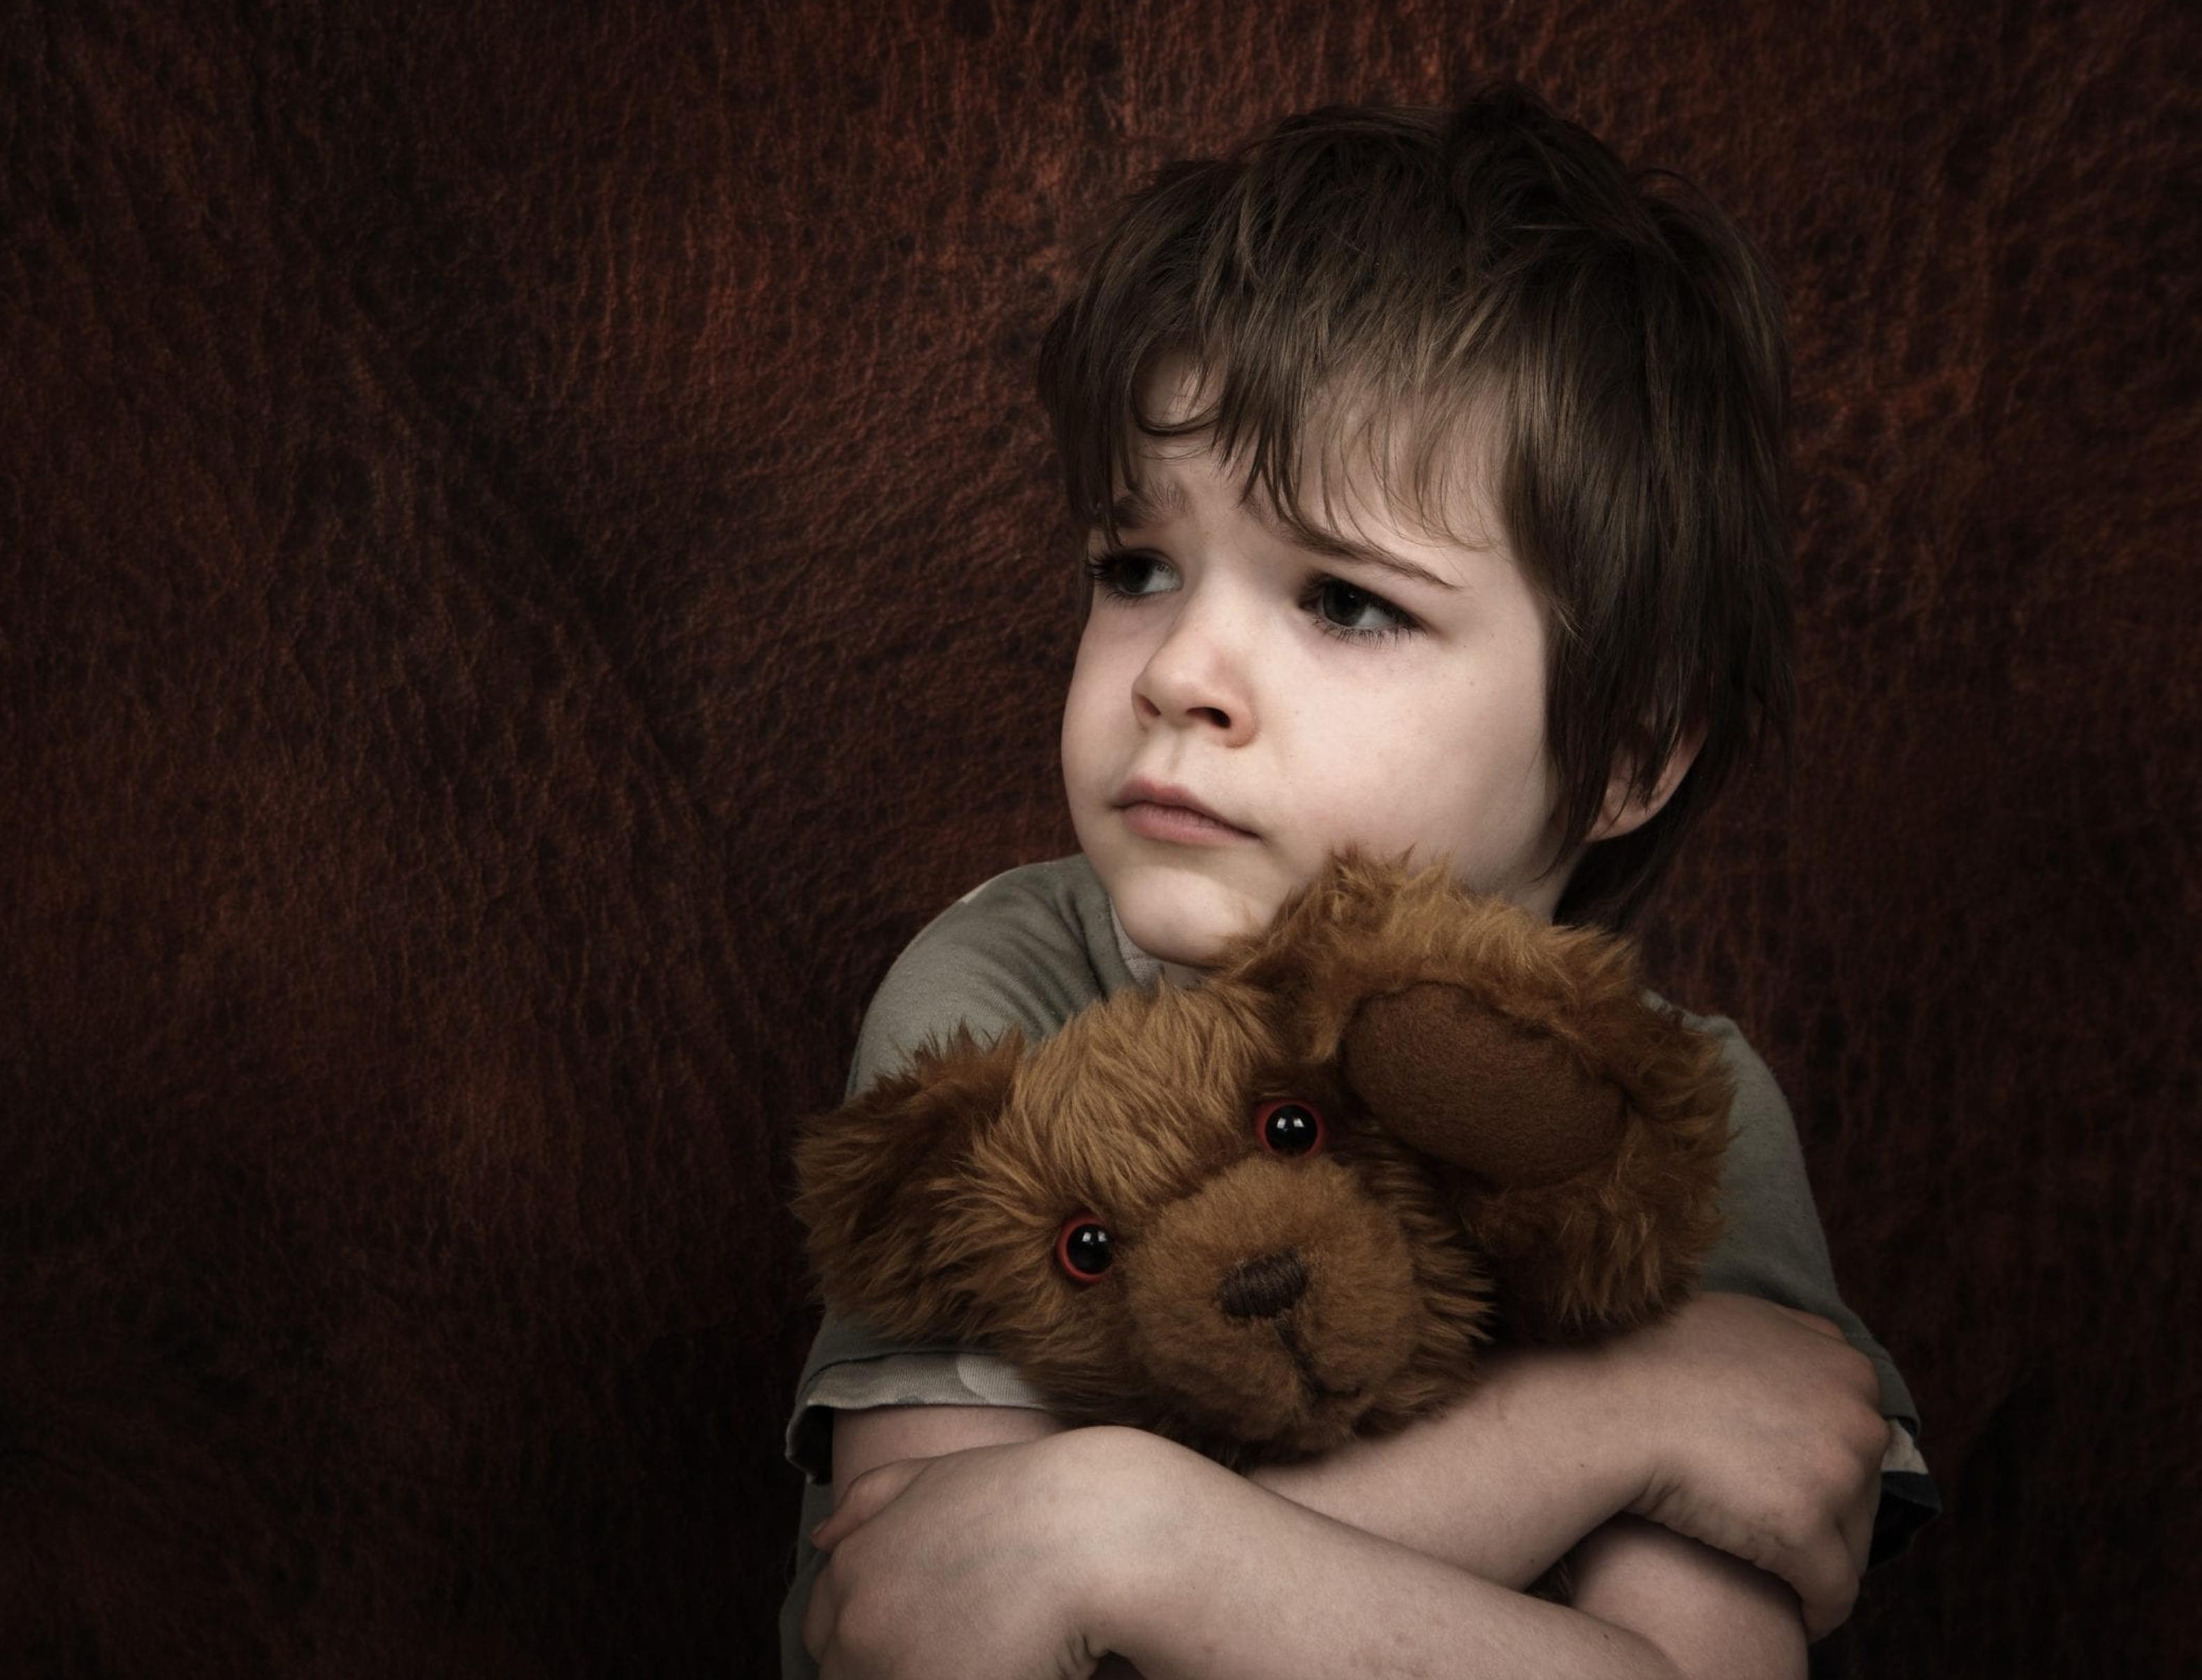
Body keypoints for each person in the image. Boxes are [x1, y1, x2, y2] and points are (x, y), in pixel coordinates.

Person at [782, 86, 1936, 1680]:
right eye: (1137, 568)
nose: (1182, 668)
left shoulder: (1673, 1121)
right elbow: (929, 1618)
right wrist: (1614, 1416)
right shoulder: (1004, 996)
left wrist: (1104, 1545)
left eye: (1344, 599)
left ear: (1630, 752)